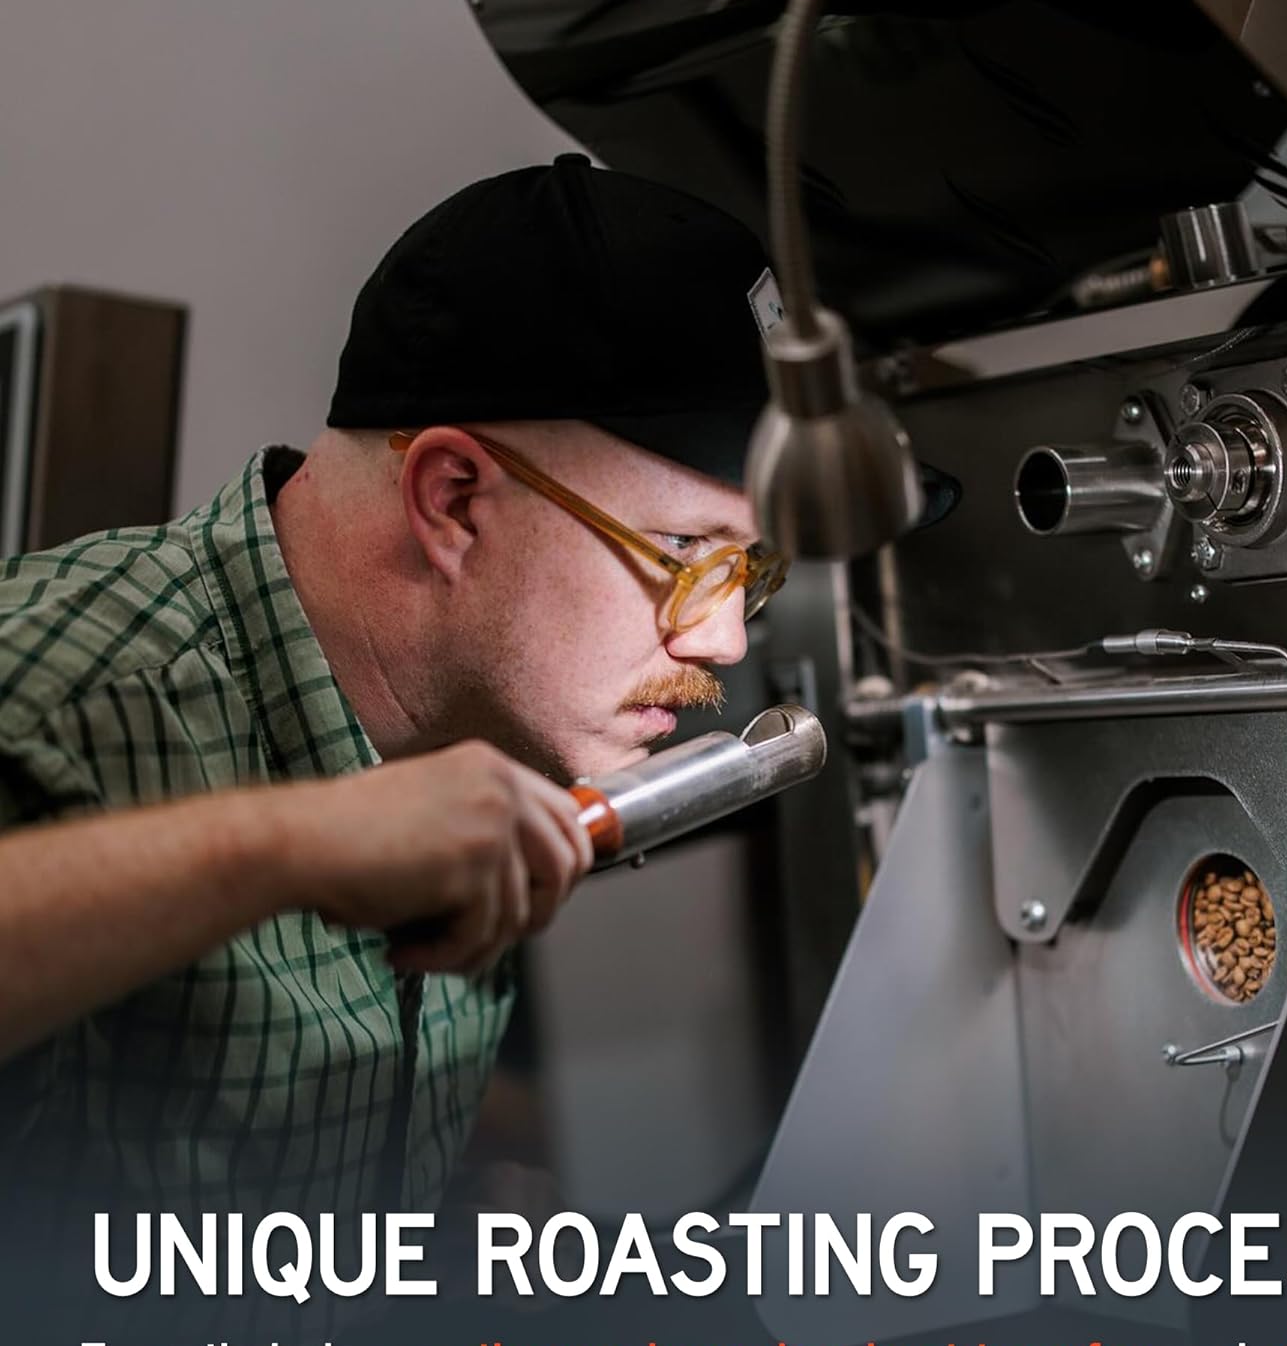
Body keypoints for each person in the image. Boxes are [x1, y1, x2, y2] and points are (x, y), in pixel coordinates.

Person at [0, 155, 805, 1227]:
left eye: (749, 570)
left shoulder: (490, 724)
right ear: (454, 500)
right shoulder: (52, 708)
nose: (720, 638)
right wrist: (286, 847)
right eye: (686, 552)